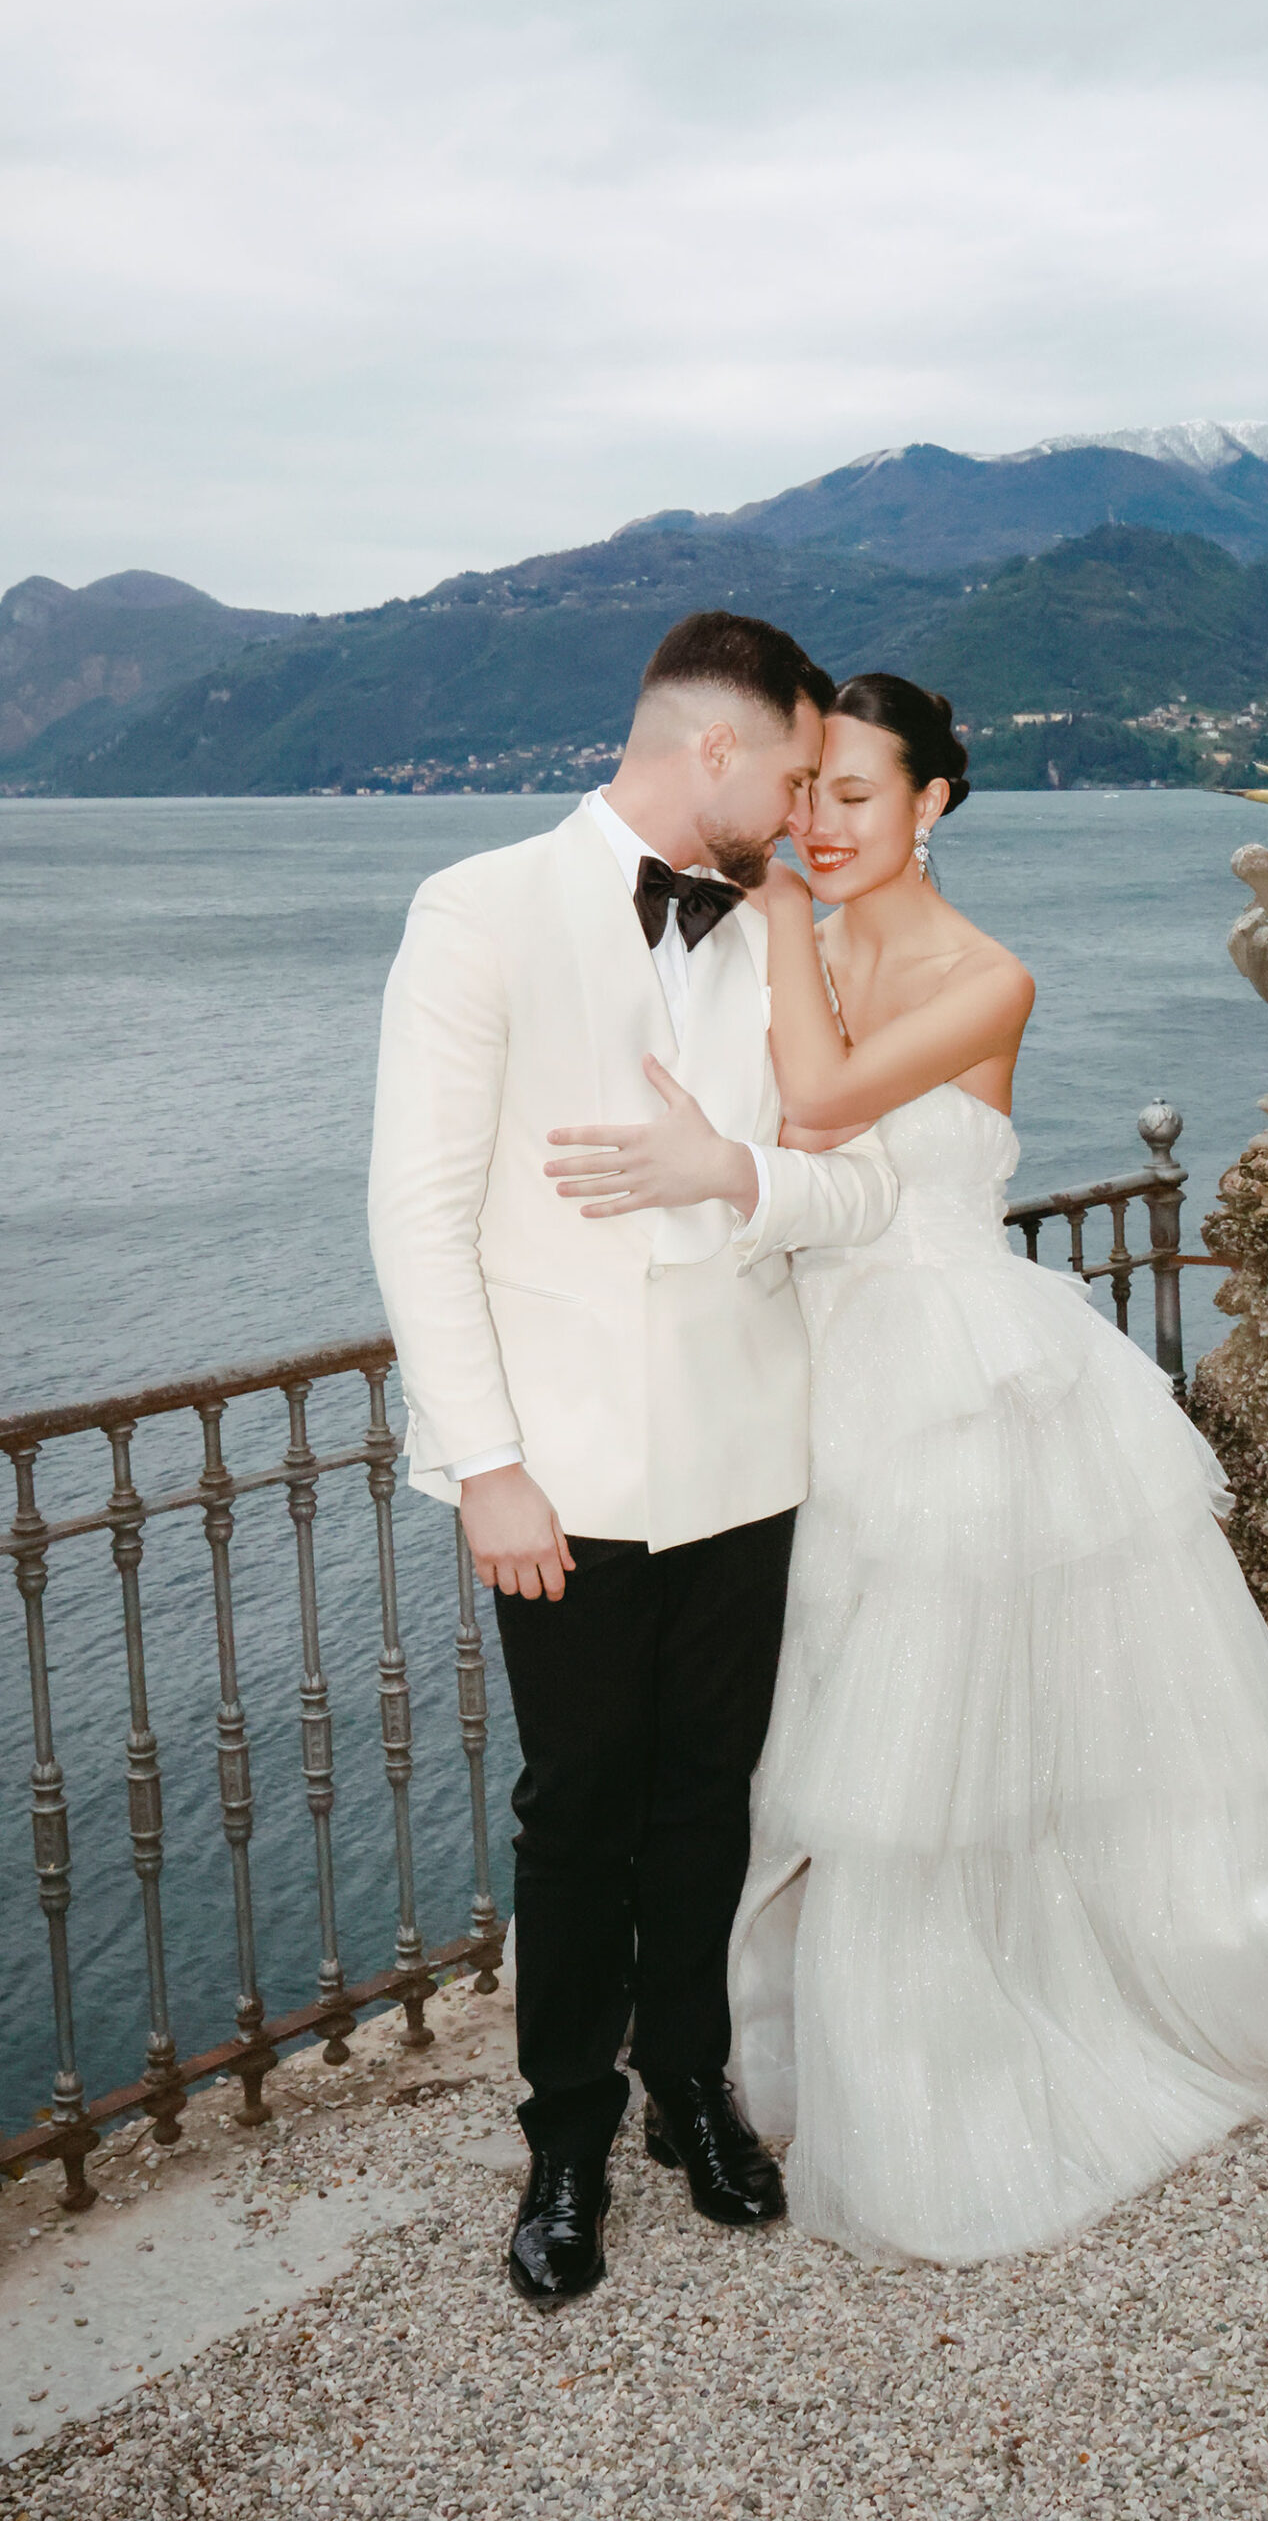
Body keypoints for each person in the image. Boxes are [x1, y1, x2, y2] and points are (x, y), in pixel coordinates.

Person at [726, 671, 1268, 2266]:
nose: (819, 822)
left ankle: (949, 2067)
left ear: (930, 803)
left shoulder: (985, 977)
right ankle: (798, 2034)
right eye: (803, 791)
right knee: (828, 1716)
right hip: (806, 1366)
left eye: (854, 793)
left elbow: (814, 1108)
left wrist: (765, 912)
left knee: (929, 1745)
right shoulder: (809, 951)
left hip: (948, 1379)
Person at [368, 612, 899, 2307]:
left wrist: (730, 1173)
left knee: (705, 1799)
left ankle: (690, 2084)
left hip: (751, 1456)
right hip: (562, 1480)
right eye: (796, 776)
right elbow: (417, 1217)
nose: (807, 813)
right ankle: (565, 2141)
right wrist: (487, 1462)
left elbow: (869, 1185)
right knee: (576, 1809)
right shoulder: (477, 909)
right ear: (715, 752)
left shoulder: (781, 936)